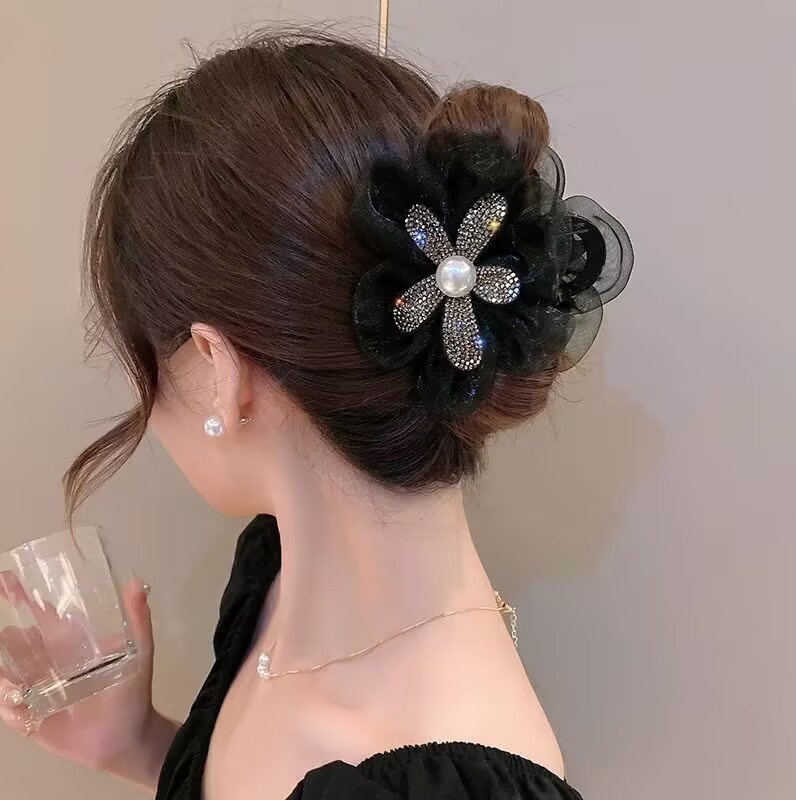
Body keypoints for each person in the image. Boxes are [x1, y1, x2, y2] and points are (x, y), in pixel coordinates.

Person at [0, 29, 632, 800]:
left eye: (145, 371)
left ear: (214, 367)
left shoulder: (437, 778)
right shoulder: (278, 570)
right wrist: (138, 746)